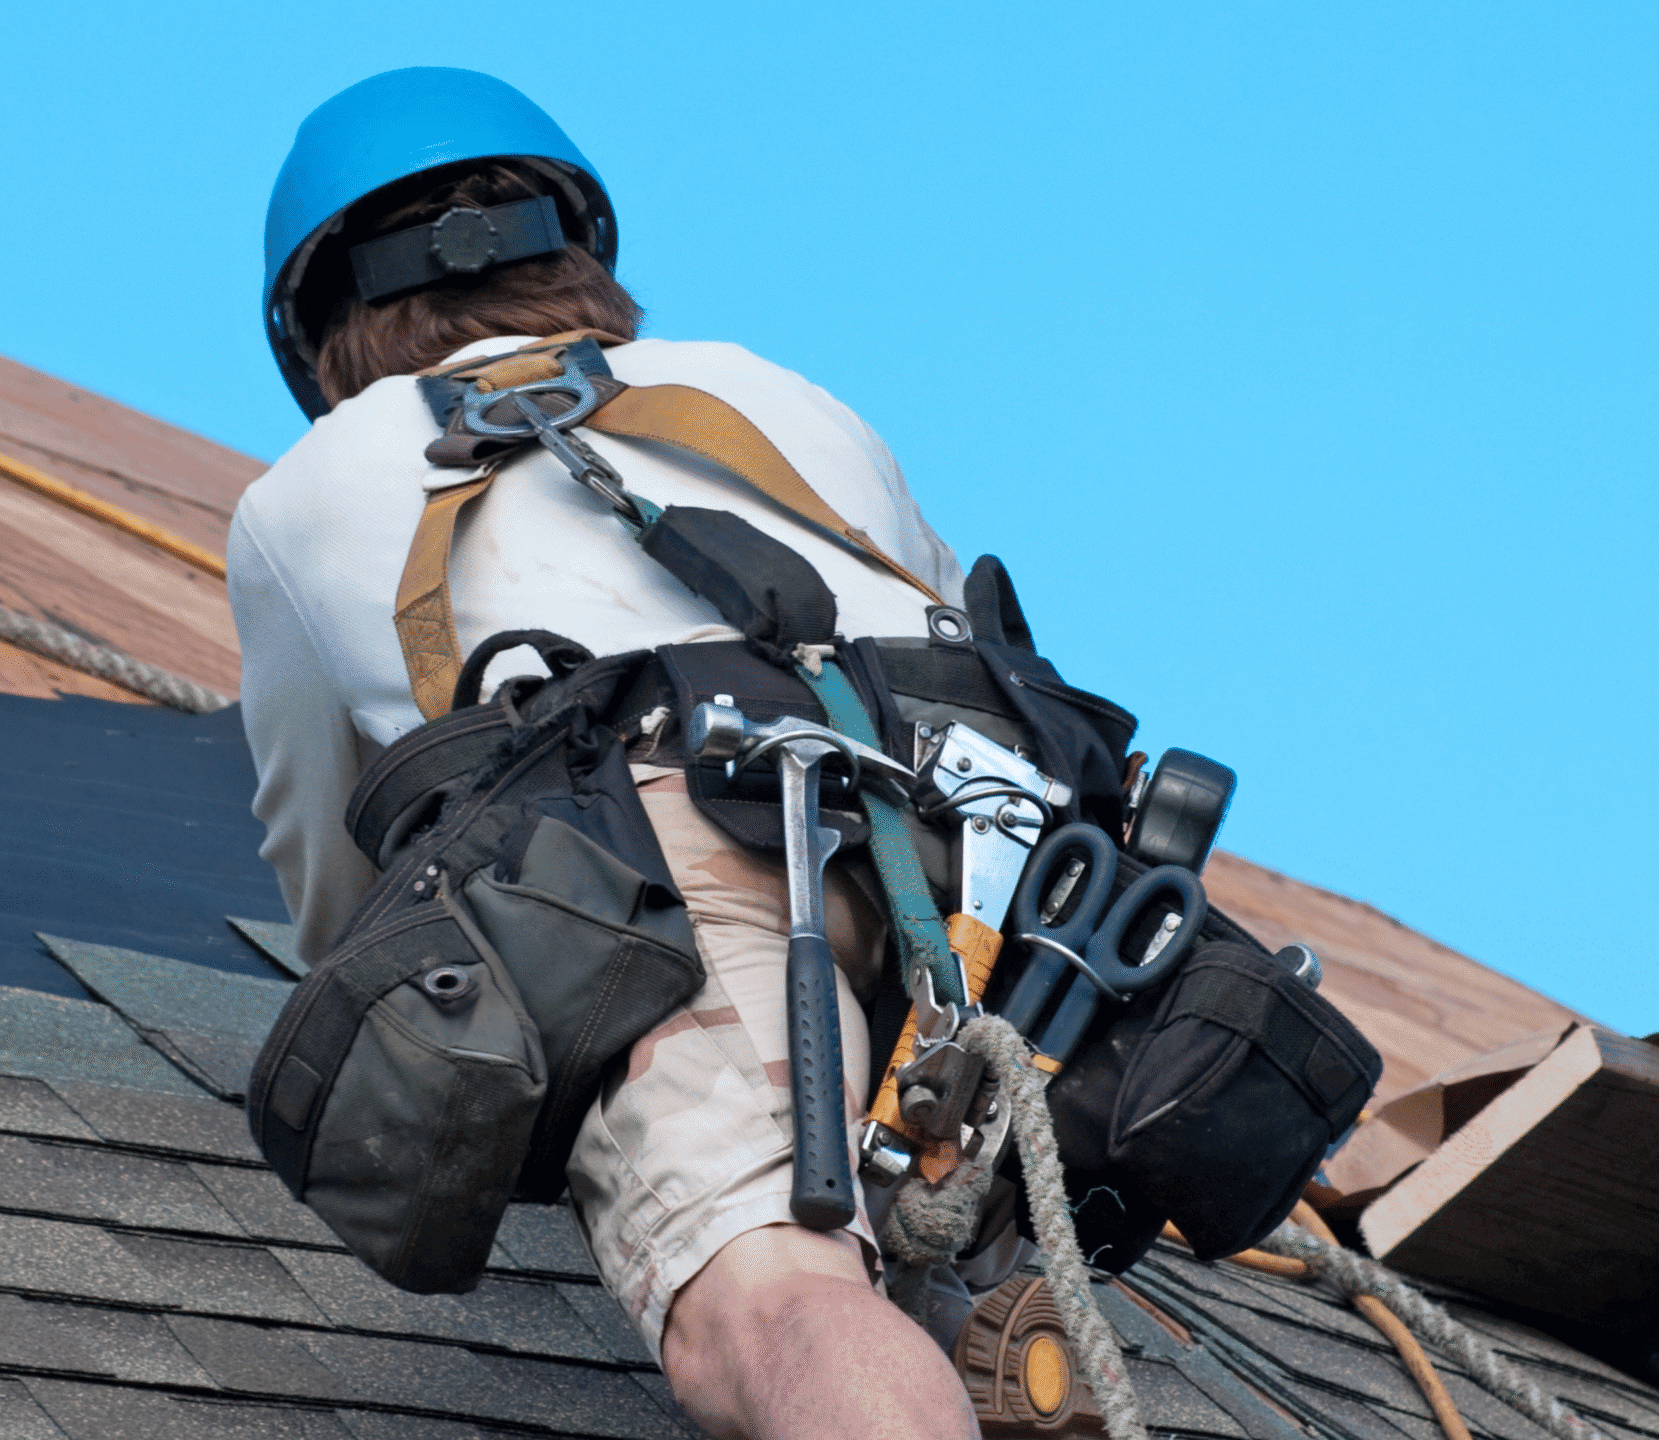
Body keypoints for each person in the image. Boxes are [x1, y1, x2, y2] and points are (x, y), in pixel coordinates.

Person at [228, 68, 982, 1440]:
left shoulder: (317, 486)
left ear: (328, 331)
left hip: (685, 854)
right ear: (575, 253)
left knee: (769, 1309)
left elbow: (338, 899)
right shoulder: (768, 390)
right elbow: (958, 636)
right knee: (999, 1287)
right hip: (990, 873)